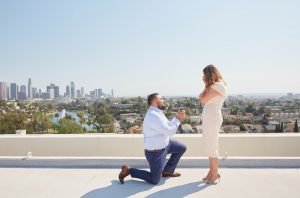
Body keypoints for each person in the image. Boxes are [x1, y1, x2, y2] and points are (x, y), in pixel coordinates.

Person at [118, 93, 187, 185]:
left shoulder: (158, 112)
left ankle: (167, 171)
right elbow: (170, 132)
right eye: (161, 99)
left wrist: (176, 118)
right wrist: (178, 120)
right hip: (156, 152)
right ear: (154, 101)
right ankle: (129, 170)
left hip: (166, 145)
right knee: (154, 180)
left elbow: (168, 126)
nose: (163, 100)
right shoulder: (153, 116)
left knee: (181, 148)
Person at [199, 64, 226, 184]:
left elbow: (202, 99)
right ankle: (211, 172)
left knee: (212, 146)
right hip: (210, 119)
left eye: (204, 75)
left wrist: (205, 88)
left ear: (210, 75)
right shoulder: (213, 86)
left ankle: (215, 175)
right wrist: (206, 88)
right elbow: (202, 97)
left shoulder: (218, 86)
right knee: (209, 146)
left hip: (213, 119)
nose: (203, 77)